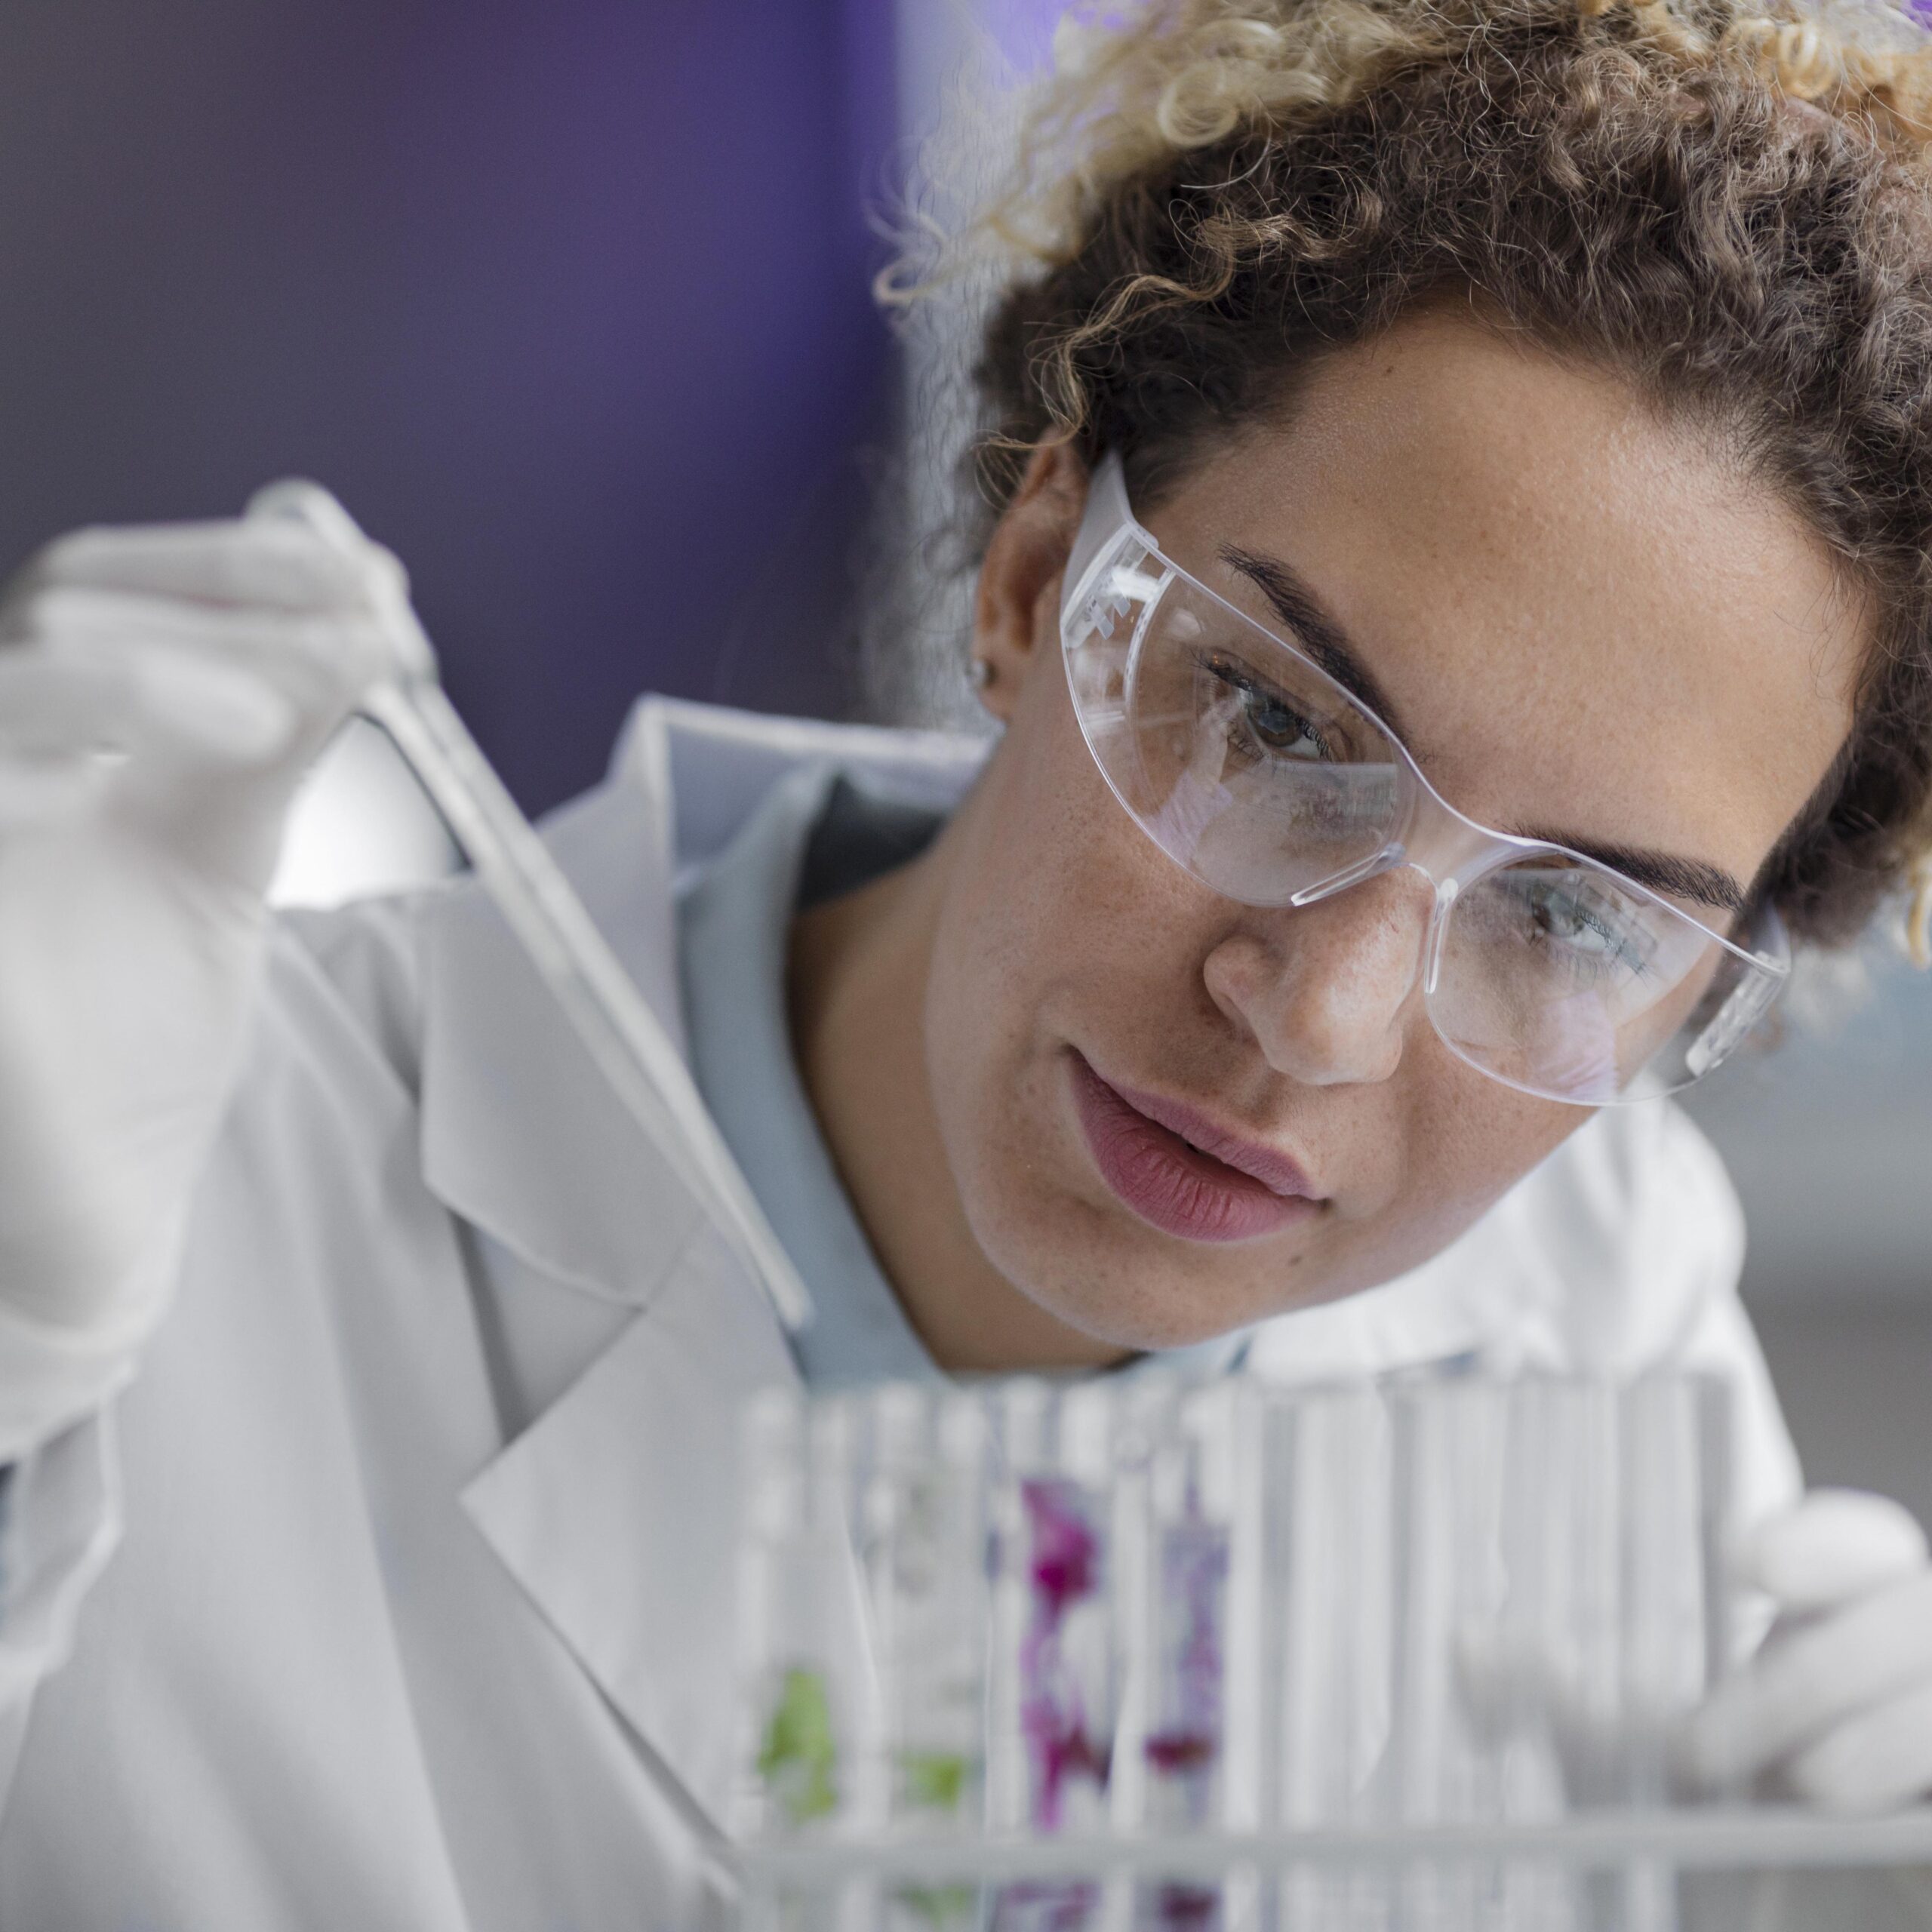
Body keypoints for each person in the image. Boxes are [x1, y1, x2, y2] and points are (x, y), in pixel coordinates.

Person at [4, 0, 1932, 1920]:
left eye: (1574, 912)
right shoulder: (196, 1190)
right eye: (1270, 728)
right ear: (1030, 584)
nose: (1317, 1017)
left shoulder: (1589, 1296)